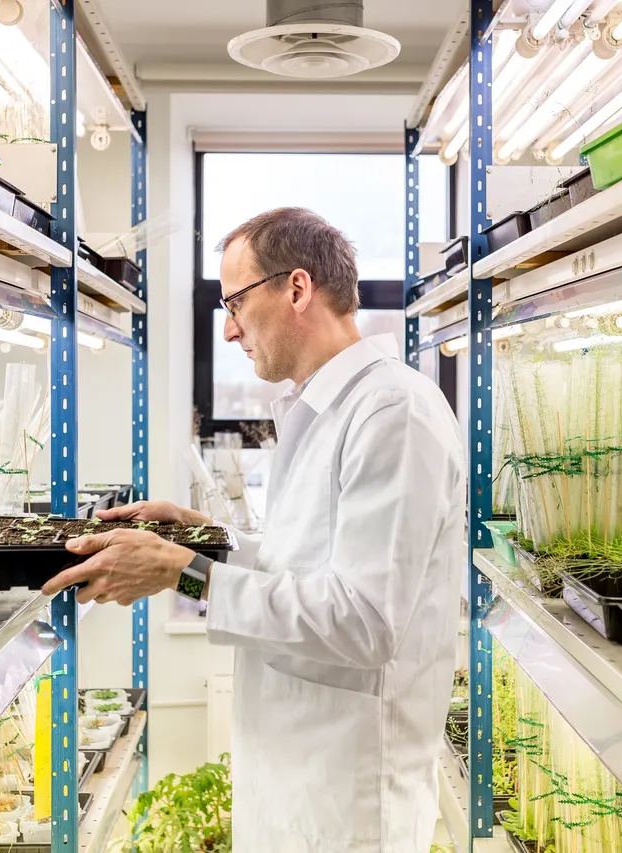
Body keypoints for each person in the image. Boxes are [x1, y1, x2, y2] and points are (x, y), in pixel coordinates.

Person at [42, 207, 466, 852]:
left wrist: (184, 572)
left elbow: (366, 619)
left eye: (235, 301)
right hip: (297, 777)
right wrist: (206, 541)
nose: (231, 329)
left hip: (348, 801)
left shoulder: (392, 412)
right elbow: (312, 563)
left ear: (297, 288)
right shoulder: (324, 406)